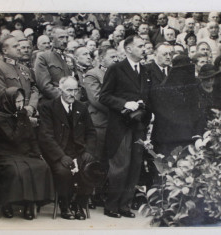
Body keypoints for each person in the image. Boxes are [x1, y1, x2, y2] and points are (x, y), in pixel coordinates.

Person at [99, 35, 152, 218]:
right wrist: (124, 104)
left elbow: (148, 97)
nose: (144, 49)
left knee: (135, 166)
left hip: (138, 125)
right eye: (140, 46)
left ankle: (125, 205)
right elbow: (103, 96)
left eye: (144, 45)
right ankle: (111, 205)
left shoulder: (145, 71)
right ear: (129, 49)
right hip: (121, 126)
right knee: (120, 166)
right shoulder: (116, 69)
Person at [0, 87, 54, 220]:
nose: (21, 105)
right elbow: (13, 138)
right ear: (9, 101)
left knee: (42, 167)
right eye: (17, 101)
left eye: (22, 101)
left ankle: (29, 203)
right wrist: (20, 118)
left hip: (23, 152)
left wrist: (38, 153)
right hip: (3, 153)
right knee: (16, 170)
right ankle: (6, 202)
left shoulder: (21, 113)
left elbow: (31, 137)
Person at [38, 76, 97, 220]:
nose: (72, 94)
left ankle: (78, 204)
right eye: (68, 90)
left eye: (75, 90)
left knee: (91, 169)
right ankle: (64, 205)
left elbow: (91, 132)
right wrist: (60, 156)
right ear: (60, 90)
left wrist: (88, 151)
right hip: (58, 153)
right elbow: (46, 136)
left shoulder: (81, 107)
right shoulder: (48, 107)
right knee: (63, 172)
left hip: (78, 152)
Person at [0, 35, 39, 119]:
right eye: (15, 46)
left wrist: (32, 106)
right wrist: (23, 111)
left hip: (29, 114)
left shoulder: (24, 68)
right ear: (5, 51)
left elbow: (33, 89)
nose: (19, 48)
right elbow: (3, 95)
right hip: (9, 117)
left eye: (18, 45)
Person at [34, 27, 71, 102]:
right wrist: (64, 98)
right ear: (52, 40)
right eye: (61, 37)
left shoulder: (70, 59)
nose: (65, 41)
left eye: (67, 37)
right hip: (53, 102)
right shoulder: (43, 57)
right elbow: (44, 86)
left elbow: (77, 81)